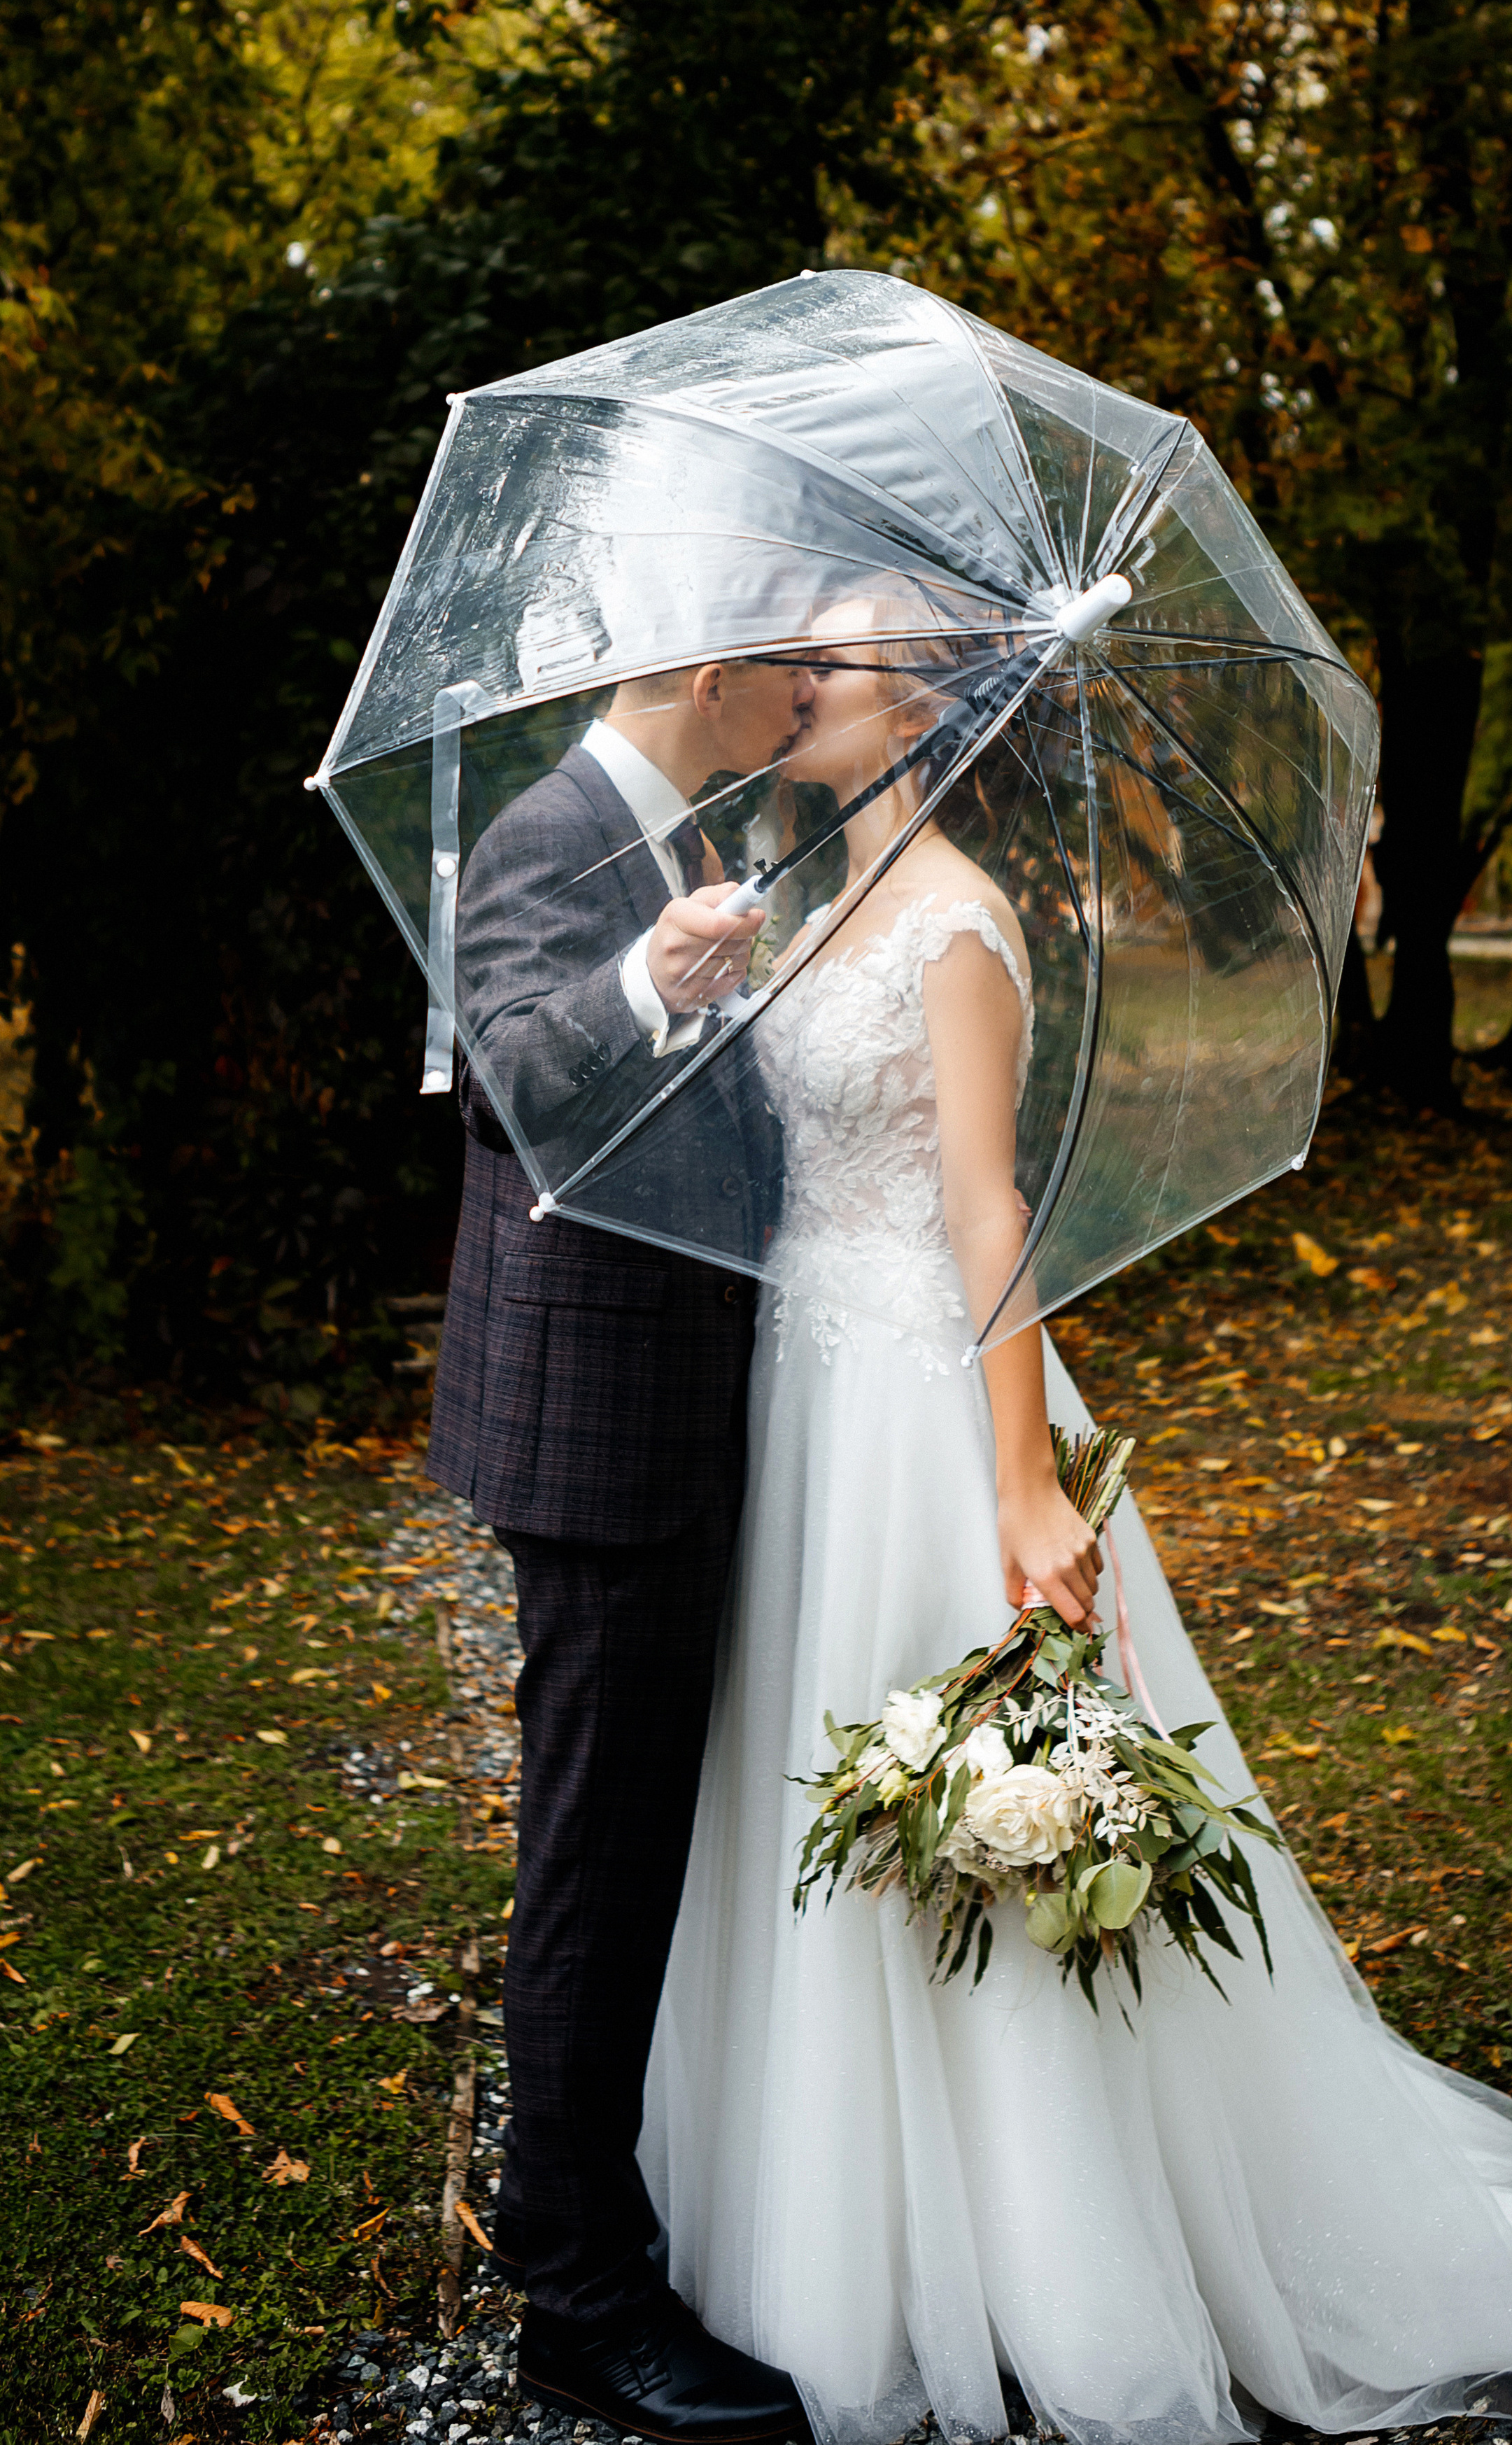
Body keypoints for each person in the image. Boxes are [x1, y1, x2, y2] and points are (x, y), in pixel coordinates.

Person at [640, 600, 1512, 2445]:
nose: (797, 690)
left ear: (921, 711)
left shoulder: (959, 924)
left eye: (830, 671)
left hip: (921, 1398)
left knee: (971, 1795)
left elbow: (994, 1213)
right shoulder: (802, 897)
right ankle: (812, 2202)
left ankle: (1031, 2235)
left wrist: (1021, 1479)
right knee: (788, 1770)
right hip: (796, 1390)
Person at [428, 648, 817, 2440]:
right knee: (594, 1856)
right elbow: (507, 1073)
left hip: (691, 1409)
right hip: (599, 1437)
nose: (812, 699)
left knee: (655, 1828)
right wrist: (648, 985)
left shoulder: (700, 832)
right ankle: (577, 2289)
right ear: (710, 671)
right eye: (795, 670)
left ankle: (617, 2207)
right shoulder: (556, 833)